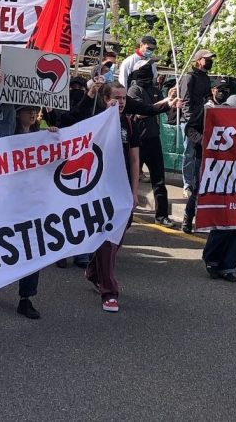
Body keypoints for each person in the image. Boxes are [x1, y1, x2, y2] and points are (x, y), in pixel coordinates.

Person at [0, 105, 59, 319]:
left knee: (33, 248)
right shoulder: (7, 136)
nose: (32, 114)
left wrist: (52, 136)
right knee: (2, 244)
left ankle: (26, 298)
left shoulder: (41, 137)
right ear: (18, 114)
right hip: (8, 201)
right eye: (27, 110)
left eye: (35, 111)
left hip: (33, 202)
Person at [86, 83, 139, 312]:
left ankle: (94, 271)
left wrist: (134, 190)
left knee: (121, 231)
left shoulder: (128, 122)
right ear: (105, 98)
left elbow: (135, 159)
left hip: (122, 189)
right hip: (101, 190)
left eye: (124, 98)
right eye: (116, 98)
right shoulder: (95, 121)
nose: (121, 102)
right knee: (108, 237)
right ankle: (109, 290)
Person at [126, 59, 180, 226]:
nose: (150, 70)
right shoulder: (134, 90)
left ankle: (161, 215)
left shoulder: (155, 89)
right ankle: (127, 214)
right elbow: (142, 112)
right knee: (131, 179)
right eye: (146, 67)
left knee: (159, 180)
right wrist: (163, 104)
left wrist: (170, 100)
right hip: (138, 140)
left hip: (153, 139)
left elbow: (161, 108)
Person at [181, 50, 216, 233]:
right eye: (207, 59)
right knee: (197, 183)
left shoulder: (205, 78)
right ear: (199, 60)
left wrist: (211, 103)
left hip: (204, 119)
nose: (210, 62)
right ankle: (188, 217)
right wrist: (191, 118)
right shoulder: (190, 77)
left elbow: (207, 96)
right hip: (194, 124)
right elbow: (186, 100)